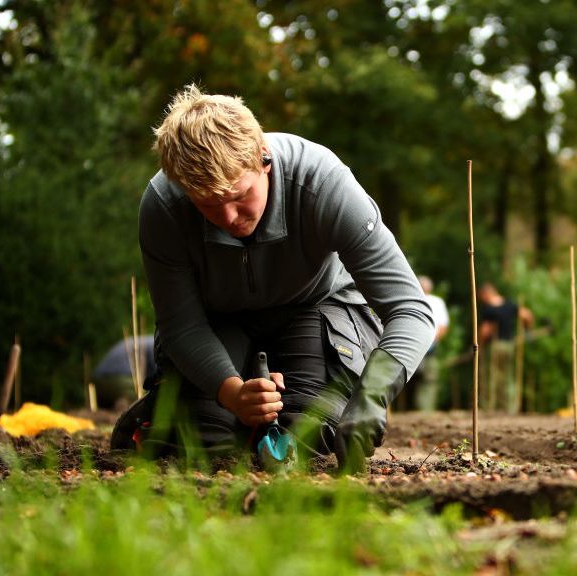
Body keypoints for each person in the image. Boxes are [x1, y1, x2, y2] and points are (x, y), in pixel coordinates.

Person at [111, 85, 435, 473]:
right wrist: (232, 394)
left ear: (263, 160)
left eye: (239, 196)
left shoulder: (323, 184)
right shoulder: (165, 204)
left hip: (316, 310)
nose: (229, 218)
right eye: (209, 205)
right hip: (218, 321)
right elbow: (181, 324)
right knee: (200, 444)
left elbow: (411, 309)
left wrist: (373, 394)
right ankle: (178, 408)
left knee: (310, 436)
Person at [478, 282, 533, 412]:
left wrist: (478, 345)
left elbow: (485, 330)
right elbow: (527, 315)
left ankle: (489, 406)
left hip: (494, 346)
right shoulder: (509, 305)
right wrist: (527, 330)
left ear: (487, 294)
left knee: (491, 376)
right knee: (507, 376)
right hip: (509, 345)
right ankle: (509, 408)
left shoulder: (490, 309)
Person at [409, 275, 449, 411]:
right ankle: (424, 410)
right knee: (428, 380)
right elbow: (443, 327)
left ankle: (422, 409)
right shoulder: (436, 302)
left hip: (415, 345)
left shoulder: (411, 300)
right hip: (426, 345)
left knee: (423, 379)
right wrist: (434, 340)